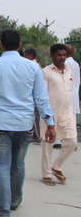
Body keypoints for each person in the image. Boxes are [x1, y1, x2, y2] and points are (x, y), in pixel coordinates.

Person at [0, 30, 55, 217]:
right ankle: (14, 200)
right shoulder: (32, 67)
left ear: (1, 45)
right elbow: (41, 98)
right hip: (24, 124)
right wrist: (50, 123)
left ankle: (2, 213)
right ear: (20, 46)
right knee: (18, 163)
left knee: (1, 167)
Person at [40, 44, 77, 186]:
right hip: (51, 113)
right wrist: (47, 115)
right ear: (52, 56)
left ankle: (56, 167)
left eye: (64, 55)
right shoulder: (46, 72)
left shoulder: (69, 70)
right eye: (59, 55)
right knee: (48, 144)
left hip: (67, 112)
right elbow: (43, 95)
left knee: (72, 141)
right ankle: (46, 175)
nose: (62, 58)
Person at [24, 48, 42, 143]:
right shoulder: (33, 65)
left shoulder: (34, 66)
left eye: (26, 55)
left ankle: (37, 136)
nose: (24, 57)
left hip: (34, 96)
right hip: (32, 95)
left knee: (35, 117)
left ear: (30, 55)